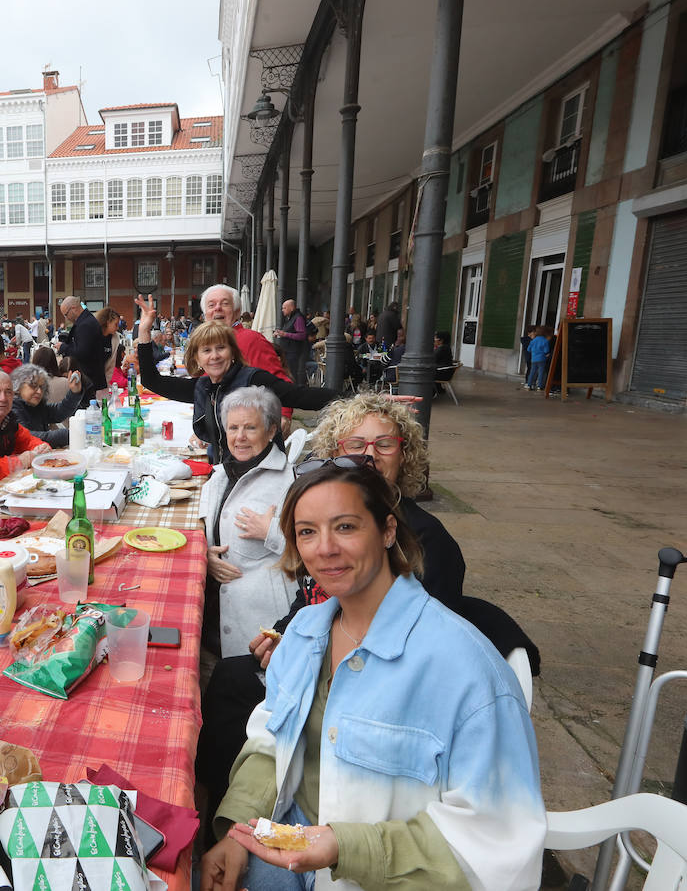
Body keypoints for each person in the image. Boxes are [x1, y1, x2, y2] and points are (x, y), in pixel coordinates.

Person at [200, 460, 544, 891]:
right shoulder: (305, 633)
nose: (324, 549)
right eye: (307, 532)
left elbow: (499, 839)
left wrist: (344, 847)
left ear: (387, 530)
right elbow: (271, 741)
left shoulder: (466, 669)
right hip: (289, 838)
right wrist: (238, 833)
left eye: (345, 527)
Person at [197, 394, 467, 812]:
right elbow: (311, 595)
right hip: (317, 655)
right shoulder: (325, 521)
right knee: (228, 680)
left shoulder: (430, 541)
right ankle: (227, 814)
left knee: (234, 694)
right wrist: (282, 632)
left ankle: (243, 813)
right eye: (355, 445)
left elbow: (430, 649)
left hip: (369, 697)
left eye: (384, 444)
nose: (370, 455)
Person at [135, 296, 338, 464]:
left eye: (221, 348)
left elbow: (301, 396)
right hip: (223, 472)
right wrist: (144, 331)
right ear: (198, 358)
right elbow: (152, 382)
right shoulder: (203, 387)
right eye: (206, 350)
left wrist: (353, 399)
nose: (214, 356)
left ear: (232, 352)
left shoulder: (253, 380)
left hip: (259, 477)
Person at [199, 387, 295, 660]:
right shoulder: (220, 475)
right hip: (214, 620)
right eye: (233, 428)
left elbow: (313, 556)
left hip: (259, 633)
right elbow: (203, 529)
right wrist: (206, 557)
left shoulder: (290, 482)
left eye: (250, 428)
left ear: (271, 430)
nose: (239, 437)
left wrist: (271, 532)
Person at [200, 284, 294, 427]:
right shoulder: (204, 342)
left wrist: (284, 415)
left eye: (225, 304)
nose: (217, 308)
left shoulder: (251, 340)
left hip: (247, 428)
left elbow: (279, 381)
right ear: (205, 314)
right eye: (211, 305)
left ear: (237, 312)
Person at [10, 363, 84, 448]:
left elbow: (59, 412)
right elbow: (28, 436)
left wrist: (74, 392)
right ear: (18, 385)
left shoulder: (36, 406)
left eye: (42, 387)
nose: (39, 391)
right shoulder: (12, 407)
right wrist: (68, 434)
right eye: (33, 385)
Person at [60, 296, 108, 397]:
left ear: (73, 308)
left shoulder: (85, 324)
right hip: (92, 377)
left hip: (90, 379)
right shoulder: (86, 320)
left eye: (66, 314)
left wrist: (63, 347)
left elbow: (82, 353)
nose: (66, 318)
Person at [277, 299, 309, 385]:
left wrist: (285, 334)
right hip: (287, 351)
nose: (282, 310)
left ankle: (293, 389)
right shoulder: (290, 318)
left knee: (292, 372)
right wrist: (280, 333)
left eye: (284, 308)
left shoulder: (298, 318)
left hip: (293, 351)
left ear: (291, 308)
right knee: (288, 372)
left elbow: (302, 335)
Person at [526, 325, 551, 391]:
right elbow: (546, 351)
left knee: (532, 372)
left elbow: (528, 349)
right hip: (542, 359)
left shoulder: (533, 341)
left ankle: (529, 385)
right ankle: (539, 386)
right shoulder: (545, 341)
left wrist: (534, 352)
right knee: (541, 372)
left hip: (534, 359)